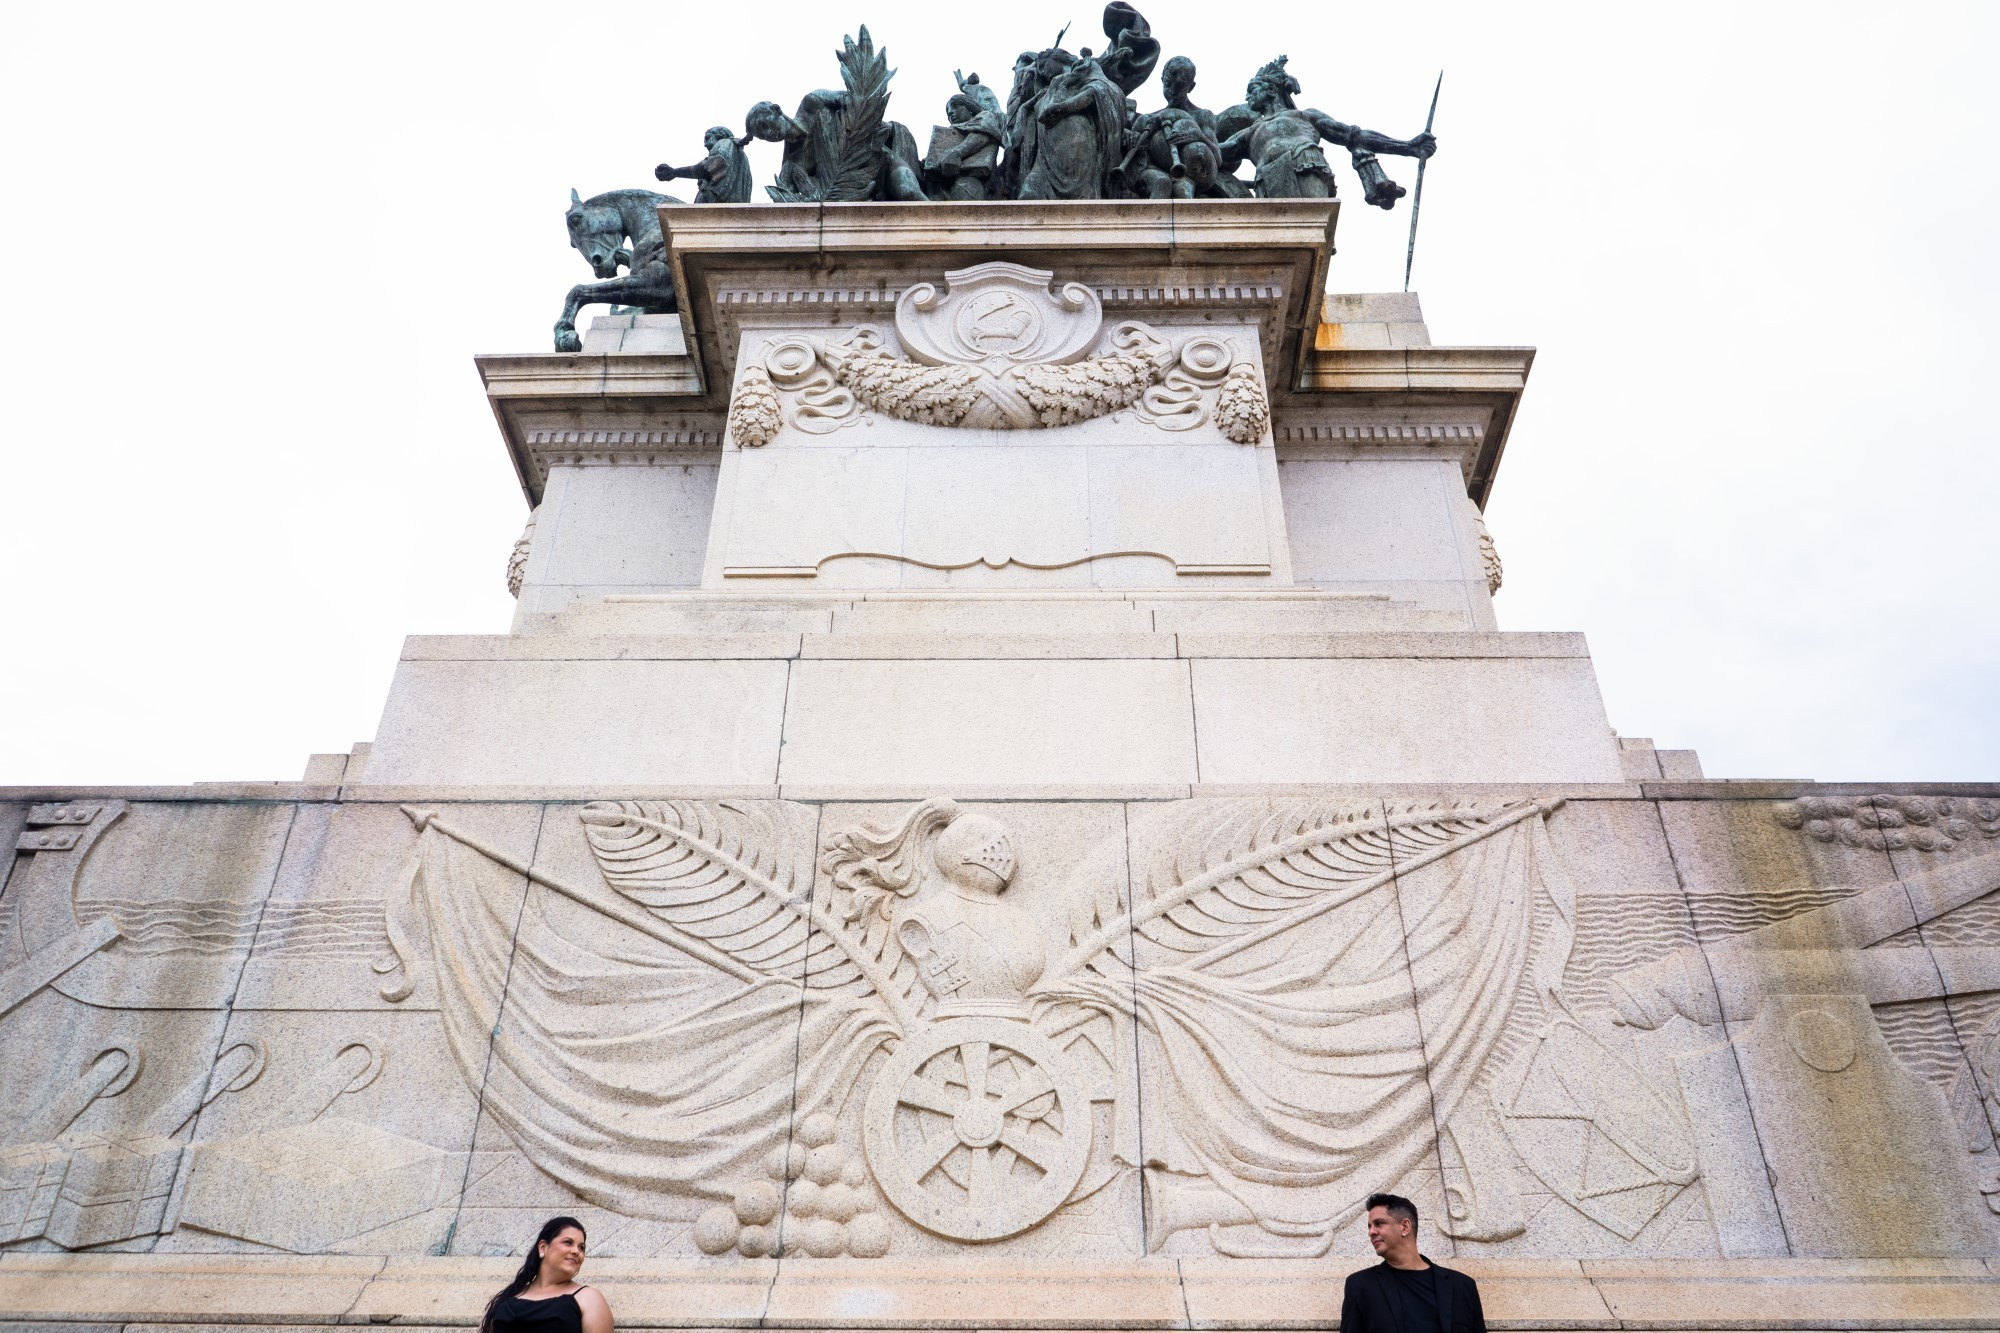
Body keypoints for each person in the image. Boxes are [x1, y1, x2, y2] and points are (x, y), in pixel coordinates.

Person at [1338, 1194, 1485, 1333]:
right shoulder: (1359, 1286)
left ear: (1405, 1227)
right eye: (1369, 1226)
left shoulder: (1462, 1286)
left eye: (1379, 1223)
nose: (1371, 1232)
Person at [480, 1216, 614, 1333]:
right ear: (543, 1247)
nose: (576, 1251)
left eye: (582, 1248)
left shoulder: (588, 1298)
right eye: (568, 1242)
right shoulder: (504, 1299)